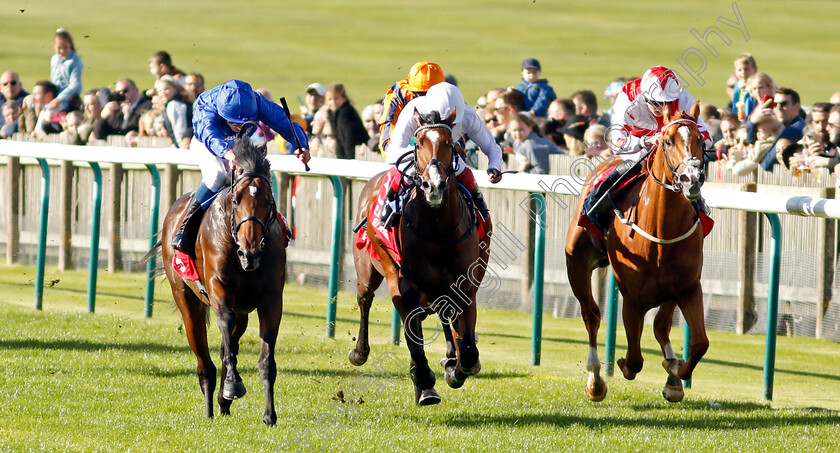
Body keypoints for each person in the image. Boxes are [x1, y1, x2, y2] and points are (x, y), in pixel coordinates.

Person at [171, 79, 310, 261]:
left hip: (238, 145)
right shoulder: (207, 105)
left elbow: (284, 123)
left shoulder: (257, 102)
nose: (239, 125)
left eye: (244, 121)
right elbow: (209, 134)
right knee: (217, 176)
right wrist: (225, 152)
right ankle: (186, 226)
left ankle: (275, 223)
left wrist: (301, 145)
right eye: (233, 121)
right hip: (207, 144)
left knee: (255, 179)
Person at [584, 66, 713, 227]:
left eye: (668, 102)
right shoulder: (627, 99)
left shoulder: (682, 97)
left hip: (669, 149)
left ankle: (699, 211)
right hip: (635, 148)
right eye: (657, 103)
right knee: (628, 168)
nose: (663, 108)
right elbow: (617, 142)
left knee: (688, 176)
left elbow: (707, 137)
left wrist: (684, 138)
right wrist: (645, 141)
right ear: (645, 97)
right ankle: (594, 205)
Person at [386, 82, 503, 221]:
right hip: (417, 155)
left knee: (462, 170)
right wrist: (421, 152)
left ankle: (483, 213)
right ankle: (385, 209)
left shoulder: (468, 116)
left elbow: (492, 147)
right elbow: (392, 154)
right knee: (402, 173)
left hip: (447, 155)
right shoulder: (413, 110)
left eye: (451, 123)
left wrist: (495, 167)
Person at [377, 61, 445, 154]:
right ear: (409, 86)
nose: (423, 99)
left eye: (429, 93)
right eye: (419, 94)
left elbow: (459, 136)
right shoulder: (397, 96)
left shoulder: (448, 96)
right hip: (405, 150)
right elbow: (387, 142)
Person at [747, 87, 805, 172]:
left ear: (797, 106)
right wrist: (753, 122)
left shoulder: (794, 129)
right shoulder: (790, 126)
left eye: (783, 104)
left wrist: (751, 124)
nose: (778, 108)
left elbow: (766, 165)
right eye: (775, 104)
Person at [325, 83, 368, 160]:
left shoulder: (346, 113)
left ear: (344, 98)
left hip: (358, 150)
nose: (333, 102)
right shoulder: (332, 113)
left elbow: (349, 138)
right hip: (345, 149)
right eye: (330, 99)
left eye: (336, 98)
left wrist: (348, 159)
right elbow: (338, 137)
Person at [49, 28, 83, 112]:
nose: (62, 51)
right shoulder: (54, 59)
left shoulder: (74, 60)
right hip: (56, 96)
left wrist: (59, 99)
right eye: (59, 48)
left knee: (49, 112)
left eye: (65, 47)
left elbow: (75, 84)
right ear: (54, 45)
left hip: (70, 98)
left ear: (70, 45)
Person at [156, 75, 192, 149]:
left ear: (175, 89)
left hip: (185, 145)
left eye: (166, 89)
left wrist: (180, 145)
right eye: (159, 91)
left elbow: (180, 128)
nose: (163, 92)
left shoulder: (174, 105)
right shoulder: (177, 102)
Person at [728, 53, 757, 120]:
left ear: (755, 69)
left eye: (746, 69)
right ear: (735, 71)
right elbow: (735, 104)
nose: (743, 73)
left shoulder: (757, 86)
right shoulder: (738, 85)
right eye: (739, 70)